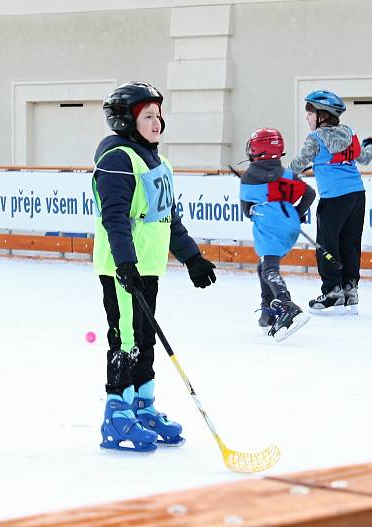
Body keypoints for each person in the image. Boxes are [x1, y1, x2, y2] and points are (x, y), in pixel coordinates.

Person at [92, 81, 217, 452]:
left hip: (149, 266)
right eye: (148, 116)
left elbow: (169, 219)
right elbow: (114, 217)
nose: (157, 122)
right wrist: (124, 263)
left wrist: (191, 257)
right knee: (125, 339)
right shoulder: (117, 159)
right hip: (124, 267)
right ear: (127, 121)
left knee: (146, 338)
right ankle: (117, 411)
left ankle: (142, 406)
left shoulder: (161, 163)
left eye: (159, 115)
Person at [289, 90, 372, 315]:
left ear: (322, 115)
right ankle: (350, 289)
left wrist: (277, 174)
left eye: (309, 114)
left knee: (327, 245)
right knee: (350, 244)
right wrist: (368, 145)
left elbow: (297, 165)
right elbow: (364, 158)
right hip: (357, 195)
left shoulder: (315, 138)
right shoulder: (349, 133)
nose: (307, 118)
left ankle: (332, 292)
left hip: (334, 198)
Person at [239, 128, 315, 341]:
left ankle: (286, 306)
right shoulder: (287, 174)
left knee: (269, 270)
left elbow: (247, 210)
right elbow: (309, 193)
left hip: (269, 228)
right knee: (263, 266)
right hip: (290, 228)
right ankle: (268, 311)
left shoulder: (248, 176)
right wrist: (297, 213)